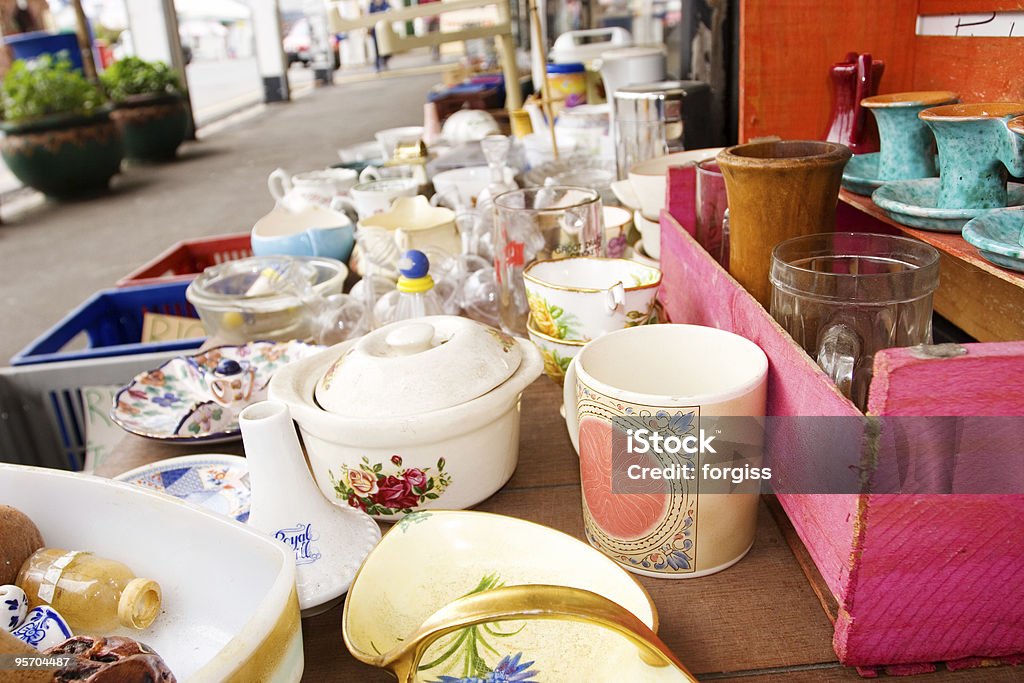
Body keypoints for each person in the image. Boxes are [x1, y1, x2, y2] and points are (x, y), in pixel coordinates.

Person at [368, 0, 391, 71]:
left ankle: (385, 61)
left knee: (388, 48)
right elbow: (369, 16)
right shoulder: (371, 4)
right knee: (377, 49)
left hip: (384, 30)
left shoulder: (384, 3)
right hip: (375, 31)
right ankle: (377, 66)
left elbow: (389, 11)